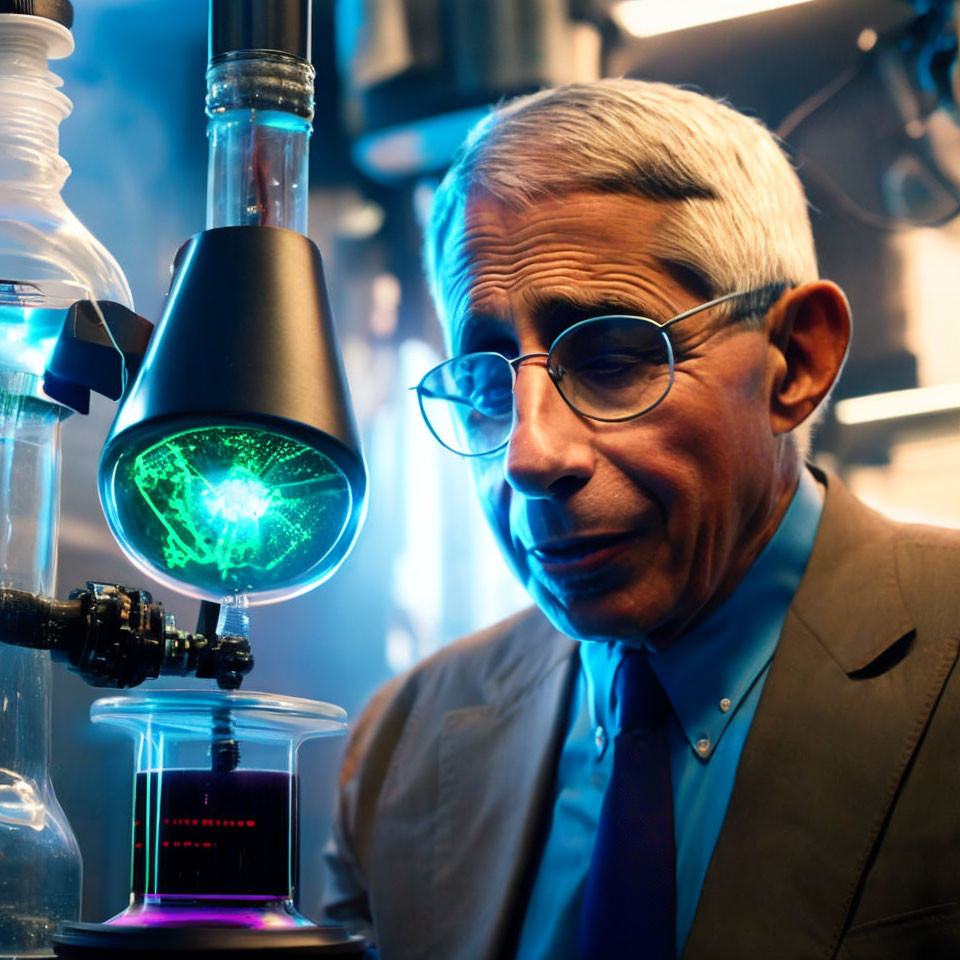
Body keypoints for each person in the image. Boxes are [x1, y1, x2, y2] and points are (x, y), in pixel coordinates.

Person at [321, 79, 960, 960]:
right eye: (486, 381)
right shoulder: (403, 745)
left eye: (614, 357)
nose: (530, 456)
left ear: (796, 359)